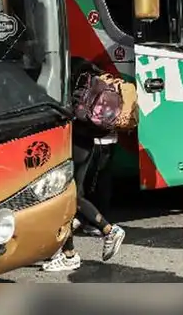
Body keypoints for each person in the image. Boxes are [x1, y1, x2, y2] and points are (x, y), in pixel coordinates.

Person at [42, 60, 126, 272]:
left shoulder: (63, 70)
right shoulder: (86, 69)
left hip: (73, 139)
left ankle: (97, 236)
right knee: (74, 195)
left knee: (67, 197)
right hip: (86, 141)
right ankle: (69, 250)